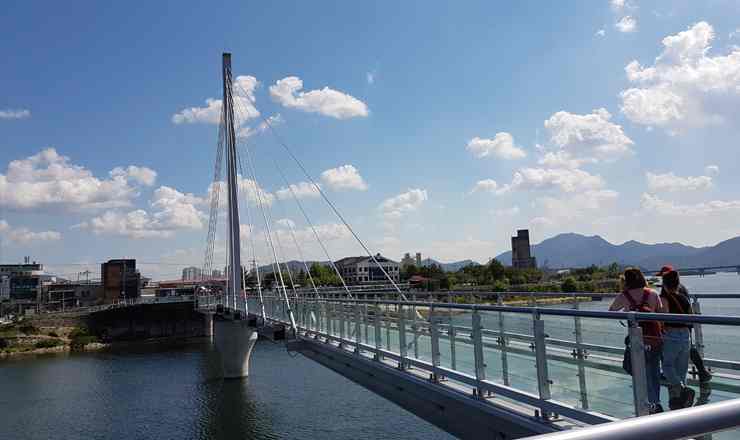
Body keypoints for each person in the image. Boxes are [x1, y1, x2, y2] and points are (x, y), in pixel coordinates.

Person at [610, 267, 664, 413]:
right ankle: (655, 403)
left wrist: (627, 312)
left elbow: (611, 311)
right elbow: (661, 313)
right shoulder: (653, 293)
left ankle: (646, 405)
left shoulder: (624, 296)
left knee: (638, 371)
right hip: (655, 339)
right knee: (654, 372)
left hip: (637, 340)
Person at [657, 265, 712, 384]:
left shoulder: (666, 293)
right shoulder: (682, 291)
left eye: (662, 277)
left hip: (672, 330)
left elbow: (664, 315)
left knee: (668, 363)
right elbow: (689, 313)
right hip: (685, 327)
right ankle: (694, 378)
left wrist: (660, 328)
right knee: (684, 359)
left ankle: (679, 385)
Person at [659, 268, 695, 409]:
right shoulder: (684, 298)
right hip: (685, 335)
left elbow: (663, 318)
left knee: (667, 366)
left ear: (665, 284)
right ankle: (680, 401)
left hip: (671, 334)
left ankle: (682, 390)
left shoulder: (664, 298)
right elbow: (691, 317)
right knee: (682, 369)